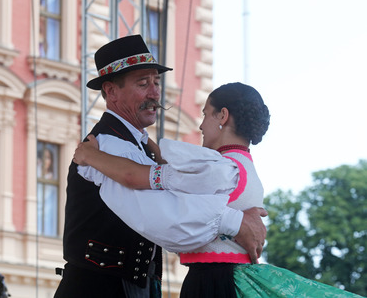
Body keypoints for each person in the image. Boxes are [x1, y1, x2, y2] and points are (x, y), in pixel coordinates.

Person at [73, 82, 363, 298]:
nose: (200, 125)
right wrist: (147, 143)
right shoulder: (242, 165)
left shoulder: (220, 167)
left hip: (212, 282)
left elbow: (144, 182)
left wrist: (91, 157)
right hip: (229, 276)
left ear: (222, 116)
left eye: (205, 114)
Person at [54, 35, 266, 298]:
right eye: (143, 83)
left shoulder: (138, 145)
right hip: (100, 288)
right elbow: (164, 209)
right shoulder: (107, 145)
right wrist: (236, 221)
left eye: (156, 82)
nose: (155, 93)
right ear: (111, 91)